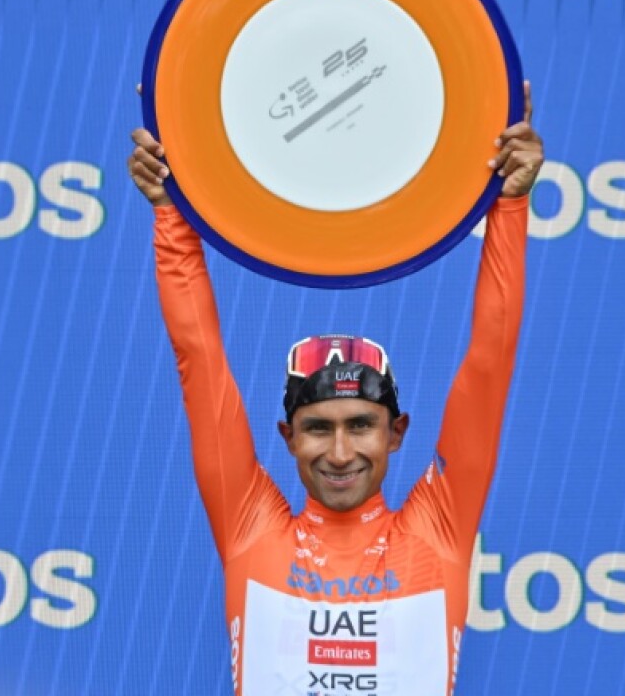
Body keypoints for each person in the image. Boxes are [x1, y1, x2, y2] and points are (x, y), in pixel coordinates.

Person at [129, 81, 543, 696]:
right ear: (288, 438)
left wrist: (509, 205)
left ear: (397, 433)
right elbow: (200, 357)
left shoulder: (440, 528)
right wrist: (170, 209)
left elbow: (491, 361)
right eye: (318, 428)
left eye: (361, 425)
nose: (341, 453)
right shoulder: (252, 528)